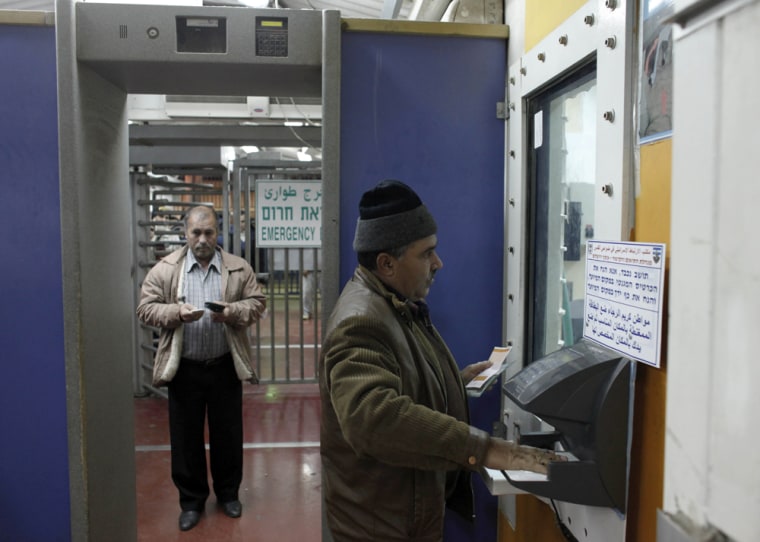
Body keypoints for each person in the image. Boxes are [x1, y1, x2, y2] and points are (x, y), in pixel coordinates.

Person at [319, 180, 564, 542]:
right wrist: (488, 451)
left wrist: (455, 381)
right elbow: (372, 418)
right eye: (426, 253)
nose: (438, 263)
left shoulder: (392, 303)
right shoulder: (361, 320)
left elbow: (398, 378)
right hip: (382, 530)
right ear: (386, 263)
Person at [136, 205, 266, 532]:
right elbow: (145, 308)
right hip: (185, 369)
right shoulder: (166, 269)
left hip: (223, 366)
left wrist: (232, 311)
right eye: (196, 232)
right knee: (185, 439)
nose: (203, 239)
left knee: (228, 434)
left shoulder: (237, 268)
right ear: (186, 233)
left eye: (209, 232)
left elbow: (257, 302)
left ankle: (227, 494)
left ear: (217, 232)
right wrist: (176, 314)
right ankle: (191, 502)